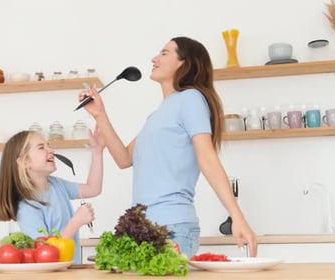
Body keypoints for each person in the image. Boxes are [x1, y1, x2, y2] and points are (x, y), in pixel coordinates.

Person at [79, 36, 257, 258]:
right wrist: (100, 115)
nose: (154, 58)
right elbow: (124, 159)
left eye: (164, 53)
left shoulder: (191, 99)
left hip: (172, 228)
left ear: (185, 62)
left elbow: (207, 158)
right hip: (141, 229)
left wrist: (237, 216)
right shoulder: (157, 115)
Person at [0, 129, 104, 264]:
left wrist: (97, 151)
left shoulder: (57, 184)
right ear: (24, 162)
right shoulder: (27, 207)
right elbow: (45, 254)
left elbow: (93, 188)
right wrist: (76, 222)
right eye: (41, 147)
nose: (51, 150)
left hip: (71, 272)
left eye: (48, 145)